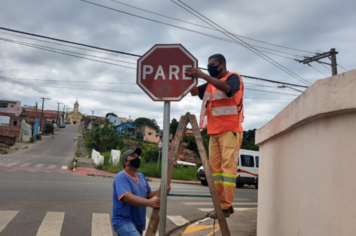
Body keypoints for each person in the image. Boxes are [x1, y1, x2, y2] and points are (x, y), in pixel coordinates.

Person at [186, 54, 244, 219]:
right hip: (214, 132)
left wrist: (203, 75)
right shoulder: (210, 85)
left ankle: (225, 206)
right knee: (215, 172)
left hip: (230, 131)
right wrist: (189, 81)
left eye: (212, 64)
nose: (209, 67)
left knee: (228, 170)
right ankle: (222, 206)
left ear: (222, 64)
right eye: (208, 65)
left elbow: (227, 89)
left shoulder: (233, 77)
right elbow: (194, 92)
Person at [112, 148, 171, 236]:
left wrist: (161, 191)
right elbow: (127, 197)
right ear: (125, 162)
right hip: (123, 221)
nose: (137, 158)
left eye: (137, 156)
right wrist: (149, 203)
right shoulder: (121, 177)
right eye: (132, 156)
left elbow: (147, 195)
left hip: (138, 222)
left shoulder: (141, 176)